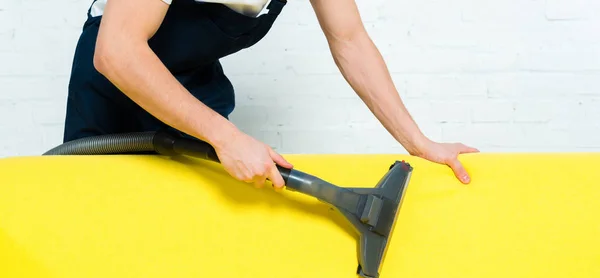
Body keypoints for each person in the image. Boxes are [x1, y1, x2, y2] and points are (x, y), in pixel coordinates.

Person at [63, 0, 479, 190]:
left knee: (190, 228)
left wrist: (418, 142)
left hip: (195, 84)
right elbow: (117, 50)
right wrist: (225, 137)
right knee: (103, 224)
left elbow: (350, 40)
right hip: (115, 91)